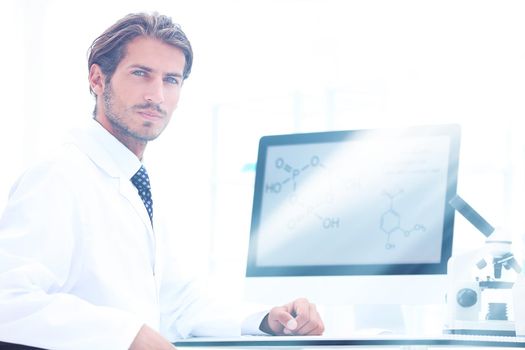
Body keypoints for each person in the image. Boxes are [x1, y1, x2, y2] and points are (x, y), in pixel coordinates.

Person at [0, 12, 324, 350]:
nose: (157, 96)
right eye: (141, 74)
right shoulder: (58, 176)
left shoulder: (137, 182)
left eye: (171, 80)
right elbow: (6, 298)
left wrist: (267, 319)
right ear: (97, 79)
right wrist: (127, 335)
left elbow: (176, 304)